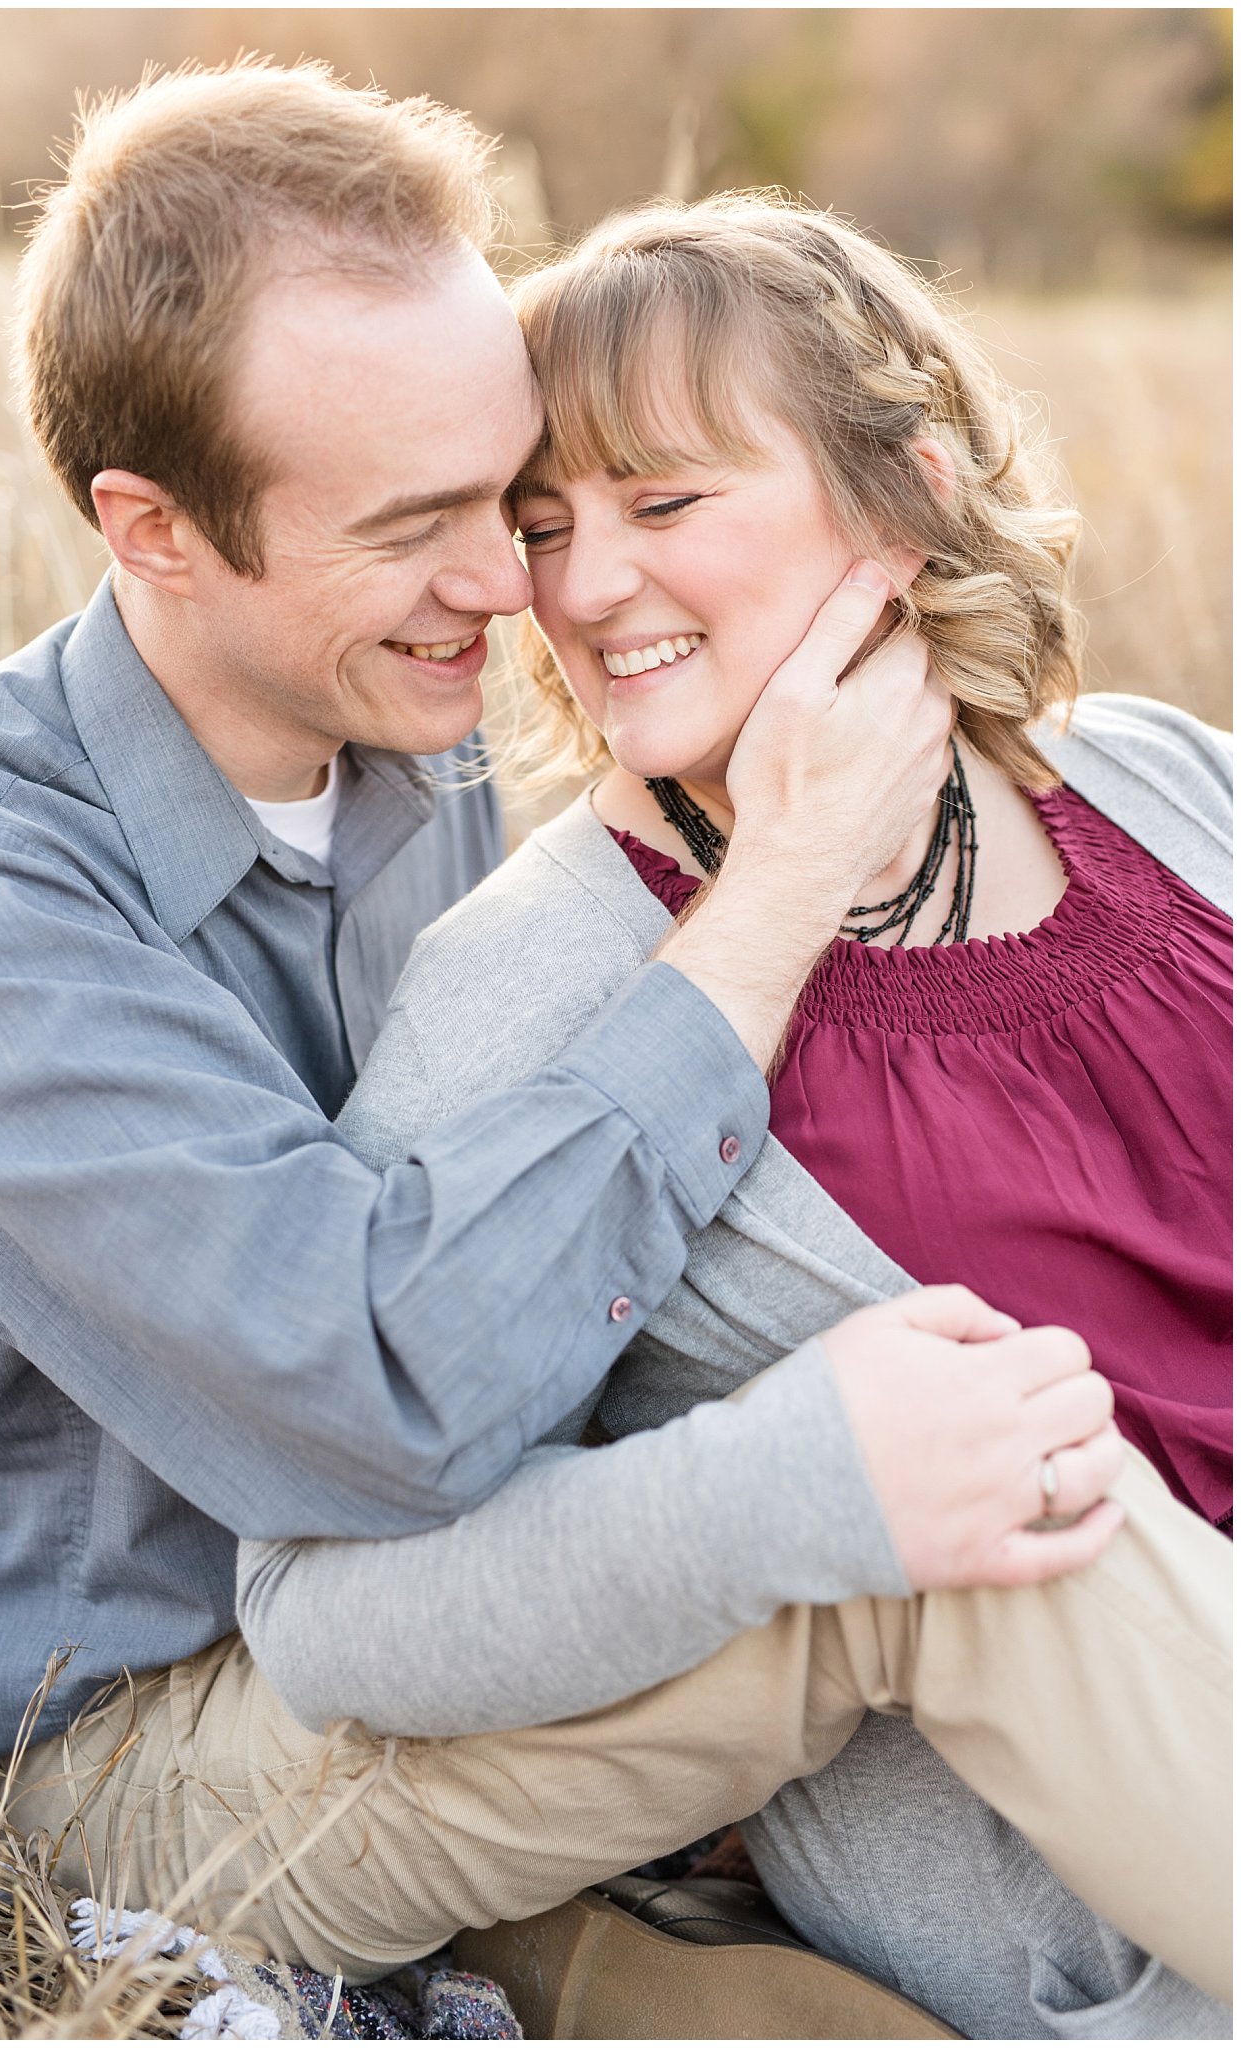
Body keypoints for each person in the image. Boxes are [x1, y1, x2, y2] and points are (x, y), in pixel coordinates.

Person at [0, 60, 1218, 2030]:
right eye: (442, 522)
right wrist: (769, 898)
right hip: (151, 1735)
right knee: (949, 1485)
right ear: (154, 532)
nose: (530, 592)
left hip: (485, 1621)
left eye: (515, 499)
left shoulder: (395, 756)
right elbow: (379, 1401)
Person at [234, 196, 1232, 2034]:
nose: (586, 584)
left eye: (665, 502)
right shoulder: (538, 979)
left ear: (907, 494)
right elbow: (329, 1600)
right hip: (1109, 1893)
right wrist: (784, 1490)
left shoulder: (1164, 787)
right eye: (545, 526)